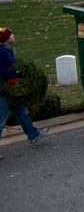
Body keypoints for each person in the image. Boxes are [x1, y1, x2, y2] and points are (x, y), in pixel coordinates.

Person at [0, 28, 49, 157]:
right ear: (5, 39)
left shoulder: (7, 50)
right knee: (0, 121)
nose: (13, 35)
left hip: (9, 91)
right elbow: (1, 71)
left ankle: (33, 135)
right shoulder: (1, 52)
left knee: (22, 112)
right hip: (2, 93)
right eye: (10, 34)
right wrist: (15, 73)